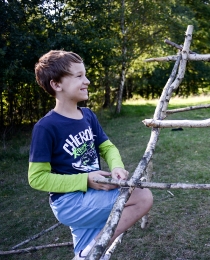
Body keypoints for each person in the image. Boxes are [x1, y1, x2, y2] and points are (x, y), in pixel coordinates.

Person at [28, 50, 153, 259]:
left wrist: (116, 167)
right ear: (56, 85)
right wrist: (85, 180)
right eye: (78, 76)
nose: (87, 81)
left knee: (86, 256)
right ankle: (99, 244)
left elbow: (107, 146)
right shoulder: (46, 127)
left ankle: (89, 252)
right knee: (142, 197)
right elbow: (36, 178)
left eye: (85, 75)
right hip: (70, 201)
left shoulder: (87, 115)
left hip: (91, 195)